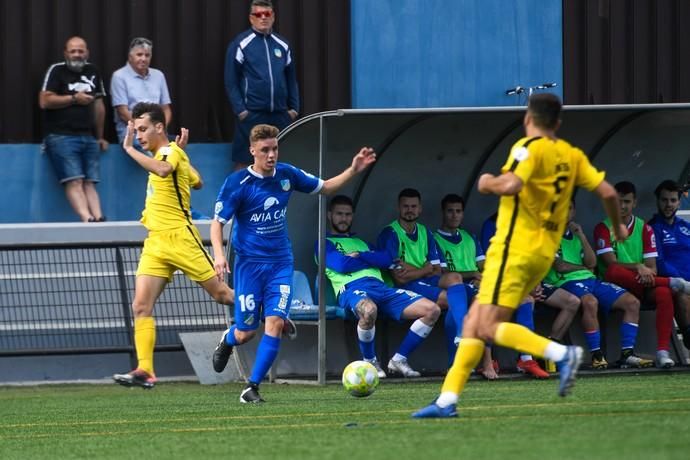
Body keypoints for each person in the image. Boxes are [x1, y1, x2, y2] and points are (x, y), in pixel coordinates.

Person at [413, 93, 625, 419]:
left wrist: (486, 183)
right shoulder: (572, 156)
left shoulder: (527, 147)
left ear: (528, 118)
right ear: (557, 122)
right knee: (476, 324)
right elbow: (609, 193)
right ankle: (446, 401)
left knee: (482, 325)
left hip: (514, 251)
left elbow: (511, 184)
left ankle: (560, 352)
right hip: (542, 255)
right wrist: (619, 229)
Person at [210, 124, 376, 403]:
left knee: (274, 322)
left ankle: (252, 387)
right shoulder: (237, 183)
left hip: (280, 264)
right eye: (265, 150)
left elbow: (325, 187)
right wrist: (219, 254)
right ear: (253, 151)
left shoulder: (287, 175)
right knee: (246, 332)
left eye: (274, 148)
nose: (271, 154)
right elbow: (217, 223)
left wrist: (353, 169)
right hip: (249, 266)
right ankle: (229, 338)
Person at [112, 102, 234, 388]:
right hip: (156, 242)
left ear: (159, 127)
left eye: (143, 129)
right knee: (141, 305)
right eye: (135, 131)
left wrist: (129, 150)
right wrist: (183, 155)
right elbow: (199, 182)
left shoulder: (167, 154)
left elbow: (165, 169)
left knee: (223, 295)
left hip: (180, 237)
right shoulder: (171, 152)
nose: (139, 135)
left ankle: (271, 315)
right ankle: (145, 369)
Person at [319, 195, 441, 378]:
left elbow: (387, 259)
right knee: (368, 311)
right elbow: (342, 265)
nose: (343, 219)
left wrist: (360, 255)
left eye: (347, 214)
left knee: (432, 310)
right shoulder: (323, 243)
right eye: (339, 214)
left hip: (382, 288)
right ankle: (370, 362)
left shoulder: (362, 243)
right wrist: (370, 259)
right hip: (352, 289)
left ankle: (399, 359)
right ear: (329, 215)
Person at [544, 201, 652, 369]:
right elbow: (560, 266)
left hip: (591, 279)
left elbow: (592, 262)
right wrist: (583, 267)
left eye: (569, 208)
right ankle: (597, 355)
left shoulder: (574, 234)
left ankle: (627, 354)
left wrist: (581, 235)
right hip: (565, 281)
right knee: (590, 301)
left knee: (632, 302)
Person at [594, 181, 690, 368]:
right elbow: (610, 264)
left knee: (663, 293)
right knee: (615, 270)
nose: (622, 206)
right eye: (618, 201)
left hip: (642, 284)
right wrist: (638, 266)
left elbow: (652, 267)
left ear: (635, 203)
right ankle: (672, 282)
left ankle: (662, 353)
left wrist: (646, 271)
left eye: (627, 202)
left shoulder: (645, 228)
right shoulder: (603, 228)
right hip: (614, 286)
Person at [377, 188, 470, 375]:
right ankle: (455, 361)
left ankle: (462, 333)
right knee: (452, 299)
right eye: (406, 206)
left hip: (423, 280)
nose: (409, 210)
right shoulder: (390, 233)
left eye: (413, 206)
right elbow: (399, 276)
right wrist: (424, 269)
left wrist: (416, 269)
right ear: (399, 208)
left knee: (456, 279)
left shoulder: (425, 232)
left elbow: (436, 269)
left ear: (420, 209)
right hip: (401, 288)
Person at [481, 211, 580, 377]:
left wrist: (536, 283)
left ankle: (548, 352)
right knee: (526, 300)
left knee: (572, 301)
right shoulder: (492, 224)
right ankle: (525, 358)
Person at [39, 36, 108, 222]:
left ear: (87, 52)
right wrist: (74, 98)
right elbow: (44, 101)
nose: (77, 54)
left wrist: (100, 137)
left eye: (81, 50)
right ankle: (87, 219)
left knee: (90, 181)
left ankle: (100, 219)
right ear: (65, 53)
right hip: (61, 136)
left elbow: (99, 106)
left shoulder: (93, 71)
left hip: (88, 136)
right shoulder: (57, 70)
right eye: (73, 51)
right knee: (74, 179)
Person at [224, 0, 299, 170]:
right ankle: (239, 197)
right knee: (245, 160)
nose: (263, 18)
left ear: (273, 17)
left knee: (279, 162)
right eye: (258, 14)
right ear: (251, 18)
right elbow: (231, 80)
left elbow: (291, 78)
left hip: (280, 115)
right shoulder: (241, 44)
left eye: (267, 14)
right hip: (252, 114)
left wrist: (294, 109)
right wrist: (241, 111)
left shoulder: (283, 45)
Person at [433, 194, 497, 378]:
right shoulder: (435, 238)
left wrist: (482, 277)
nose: (454, 215)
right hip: (452, 287)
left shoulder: (470, 238)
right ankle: (457, 364)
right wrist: (473, 275)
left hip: (474, 286)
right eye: (450, 211)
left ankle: (486, 363)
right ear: (443, 213)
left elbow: (484, 267)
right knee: (458, 305)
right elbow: (443, 274)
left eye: (458, 211)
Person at [648, 180, 690, 348]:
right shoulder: (652, 228)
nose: (669, 204)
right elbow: (659, 262)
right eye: (664, 200)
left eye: (673, 200)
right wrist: (684, 282)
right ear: (658, 201)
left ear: (679, 202)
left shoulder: (686, 227)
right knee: (681, 293)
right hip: (675, 283)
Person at [110, 37, 172, 144]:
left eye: (147, 55)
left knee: (177, 150)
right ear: (130, 57)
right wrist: (147, 130)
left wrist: (161, 128)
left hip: (157, 131)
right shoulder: (119, 76)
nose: (143, 58)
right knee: (154, 154)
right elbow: (123, 112)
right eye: (139, 55)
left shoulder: (159, 75)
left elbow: (166, 109)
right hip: (131, 131)